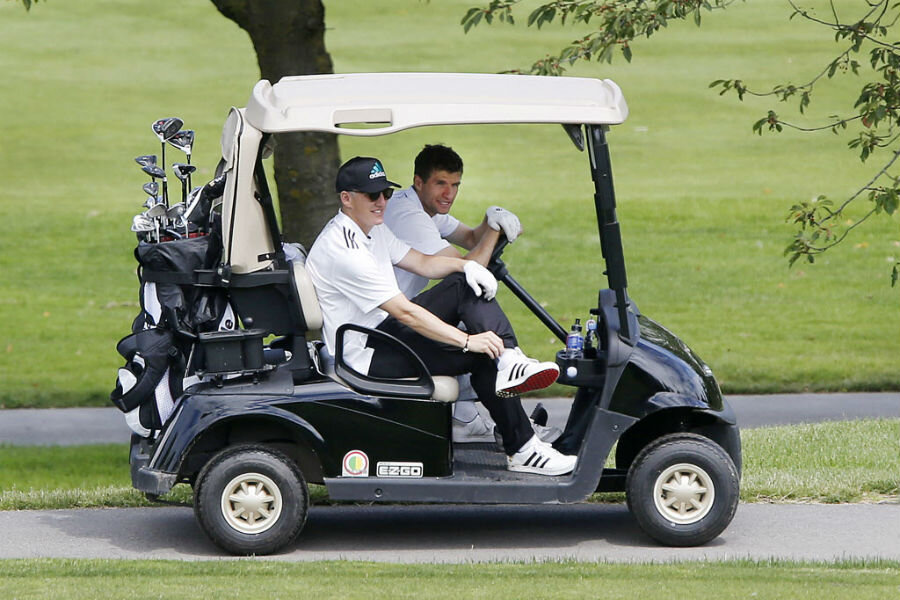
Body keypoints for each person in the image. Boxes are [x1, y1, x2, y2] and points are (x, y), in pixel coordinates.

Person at [306, 156, 576, 476]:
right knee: (481, 352)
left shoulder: (370, 227)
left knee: (464, 289)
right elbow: (406, 313)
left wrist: (467, 266)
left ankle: (510, 365)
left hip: (381, 334)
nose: (381, 202)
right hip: (366, 353)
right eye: (372, 195)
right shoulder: (344, 250)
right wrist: (467, 340)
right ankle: (523, 444)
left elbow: (422, 262)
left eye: (385, 194)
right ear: (347, 199)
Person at [383, 144, 557, 443]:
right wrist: (493, 232)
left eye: (455, 185)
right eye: (441, 183)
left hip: (402, 314)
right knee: (467, 291)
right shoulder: (408, 215)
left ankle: (472, 418)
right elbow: (465, 267)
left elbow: (470, 238)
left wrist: (491, 221)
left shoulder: (427, 208)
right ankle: (511, 382)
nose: (449, 194)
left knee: (476, 327)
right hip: (389, 324)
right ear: (419, 182)